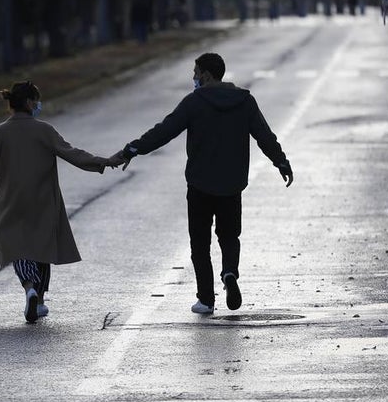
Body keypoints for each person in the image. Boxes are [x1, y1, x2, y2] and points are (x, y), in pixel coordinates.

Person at [115, 53, 293, 315]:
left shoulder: (194, 103)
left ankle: (206, 300)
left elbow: (165, 131)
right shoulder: (244, 101)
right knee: (229, 236)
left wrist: (133, 149)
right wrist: (281, 161)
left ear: (207, 75)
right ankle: (230, 272)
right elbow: (264, 135)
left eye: (196, 73)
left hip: (199, 185)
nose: (194, 78)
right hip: (232, 185)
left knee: (200, 244)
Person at [0, 80, 121, 323]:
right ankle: (41, 300)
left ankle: (29, 289)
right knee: (41, 247)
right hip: (43, 200)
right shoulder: (44, 130)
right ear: (28, 103)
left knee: (18, 249)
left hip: (10, 201)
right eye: (36, 100)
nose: (39, 104)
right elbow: (72, 153)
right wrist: (103, 162)